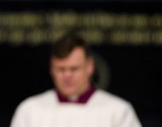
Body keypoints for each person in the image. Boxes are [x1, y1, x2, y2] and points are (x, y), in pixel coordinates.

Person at [11, 32, 141, 127]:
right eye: (61, 69)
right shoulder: (30, 110)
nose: (67, 75)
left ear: (90, 66)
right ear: (51, 69)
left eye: (74, 69)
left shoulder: (118, 111)